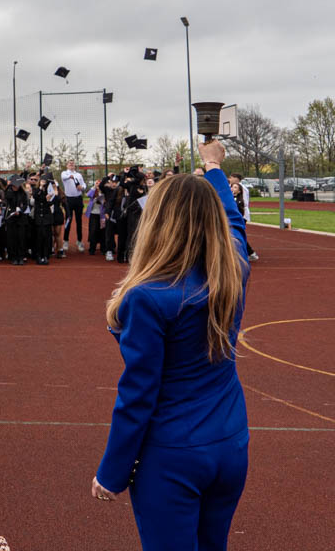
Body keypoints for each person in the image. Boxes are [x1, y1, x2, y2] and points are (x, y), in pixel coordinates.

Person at [92, 139, 251, 551]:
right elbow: (234, 224)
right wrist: (213, 168)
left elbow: (138, 394)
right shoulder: (233, 272)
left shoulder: (148, 297)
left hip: (173, 453)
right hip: (230, 442)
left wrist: (112, 472)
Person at [226, 174, 259, 261]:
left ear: (236, 179)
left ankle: (250, 252)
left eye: (231, 177)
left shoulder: (242, 188)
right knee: (232, 234)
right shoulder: (230, 188)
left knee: (236, 233)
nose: (229, 179)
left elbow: (243, 203)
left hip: (241, 215)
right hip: (233, 215)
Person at [60, 160, 87, 252]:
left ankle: (79, 241)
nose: (71, 164)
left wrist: (82, 187)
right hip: (68, 200)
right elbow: (64, 177)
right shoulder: (64, 173)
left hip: (78, 199)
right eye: (69, 163)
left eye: (73, 163)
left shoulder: (78, 175)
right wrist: (70, 176)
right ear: (67, 165)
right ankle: (65, 240)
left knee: (79, 221)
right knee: (68, 219)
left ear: (75, 165)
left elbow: (83, 184)